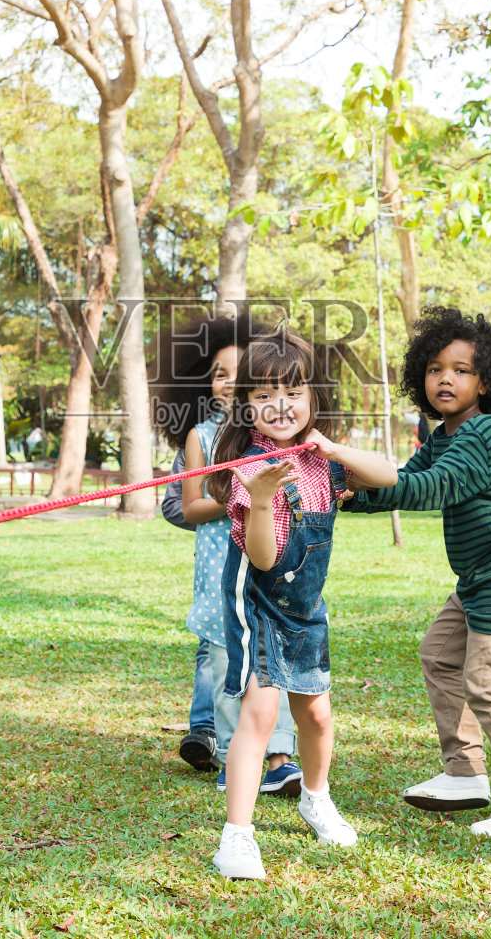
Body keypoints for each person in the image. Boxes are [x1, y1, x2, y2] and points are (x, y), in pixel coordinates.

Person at [341, 306, 491, 840]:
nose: (446, 378)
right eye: (436, 367)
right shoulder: (442, 436)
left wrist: (347, 461)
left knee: (487, 684)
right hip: (483, 573)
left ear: (485, 383)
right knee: (440, 655)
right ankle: (464, 774)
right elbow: (401, 482)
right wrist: (343, 493)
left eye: (461, 369)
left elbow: (432, 487)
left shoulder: (484, 433)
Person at [206, 329, 398, 880]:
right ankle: (236, 837)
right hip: (260, 606)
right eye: (264, 394)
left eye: (293, 391)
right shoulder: (250, 469)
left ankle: (317, 797)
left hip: (306, 607)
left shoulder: (324, 462)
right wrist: (262, 497)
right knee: (262, 711)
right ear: (246, 408)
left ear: (313, 398)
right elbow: (263, 560)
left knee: (315, 712)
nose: (280, 405)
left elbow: (389, 474)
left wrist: (333, 449)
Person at [155, 313, 301, 796]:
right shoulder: (201, 436)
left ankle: (279, 758)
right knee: (224, 661)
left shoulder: (275, 434)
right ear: (207, 383)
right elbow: (191, 505)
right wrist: (241, 497)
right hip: (221, 564)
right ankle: (230, 757)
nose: (230, 380)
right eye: (220, 372)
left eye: (243, 372)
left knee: (273, 657)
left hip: (274, 560)